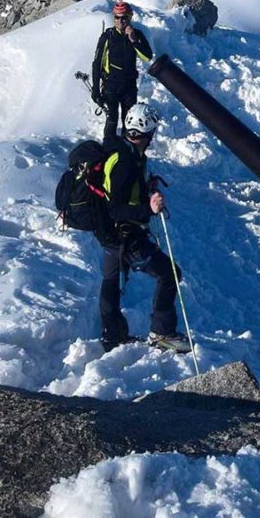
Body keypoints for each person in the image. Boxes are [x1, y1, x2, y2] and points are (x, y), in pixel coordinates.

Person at [85, 103, 190, 353]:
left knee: (111, 280)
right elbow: (116, 208)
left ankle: (113, 335)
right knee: (169, 274)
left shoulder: (127, 153)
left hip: (109, 233)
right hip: (123, 234)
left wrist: (146, 188)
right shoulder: (124, 160)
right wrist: (148, 209)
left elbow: (121, 195)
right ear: (149, 132)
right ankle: (162, 333)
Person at [90, 0, 154, 146]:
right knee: (112, 119)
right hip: (110, 85)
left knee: (129, 121)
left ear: (130, 17)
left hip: (129, 86)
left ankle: (129, 152)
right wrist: (95, 89)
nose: (120, 21)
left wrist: (133, 41)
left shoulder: (137, 35)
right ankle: (108, 149)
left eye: (124, 17)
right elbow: (96, 64)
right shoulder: (107, 36)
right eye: (117, 17)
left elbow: (147, 56)